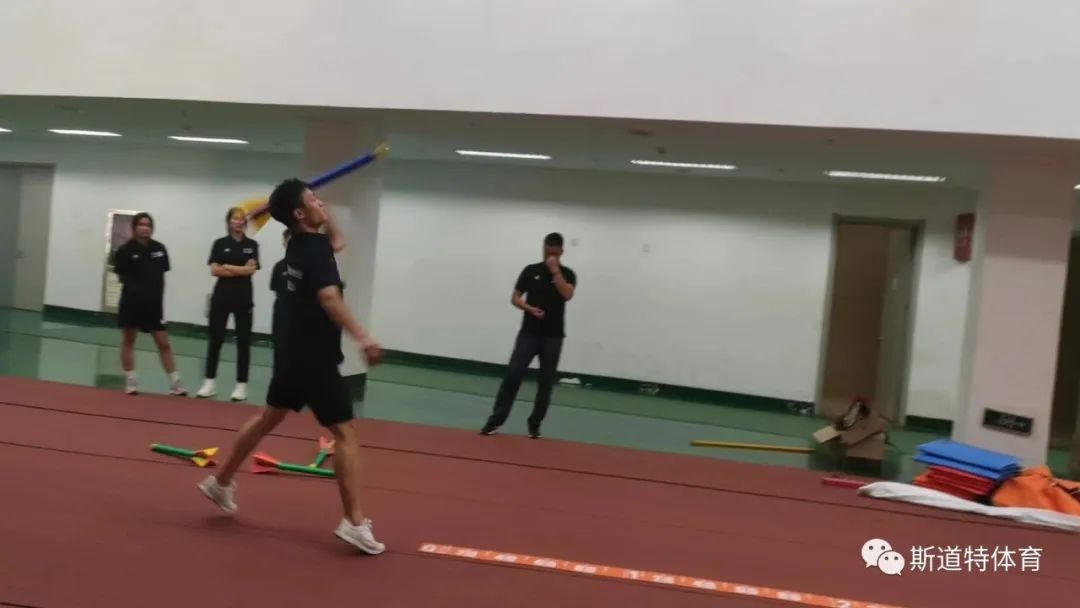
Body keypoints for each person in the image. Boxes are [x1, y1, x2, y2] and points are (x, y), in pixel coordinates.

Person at [197, 178, 387, 555]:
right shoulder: (315, 251)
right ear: (300, 213)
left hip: (291, 353)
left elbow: (337, 242)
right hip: (315, 357)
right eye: (314, 200)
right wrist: (363, 337)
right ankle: (353, 522)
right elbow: (330, 297)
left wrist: (321, 210)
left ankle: (220, 482)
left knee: (268, 417)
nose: (321, 203)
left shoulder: (296, 250)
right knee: (345, 433)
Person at [481, 232, 577, 439]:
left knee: (545, 382)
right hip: (529, 334)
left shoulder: (568, 274)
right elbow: (515, 297)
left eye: (554, 253)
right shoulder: (530, 270)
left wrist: (555, 271)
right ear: (543, 248)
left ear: (561, 252)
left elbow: (567, 294)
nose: (549, 256)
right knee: (513, 375)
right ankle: (495, 421)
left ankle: (535, 425)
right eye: (547, 252)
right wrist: (529, 308)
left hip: (553, 337)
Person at [111, 212, 187, 396]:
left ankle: (175, 383)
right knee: (129, 340)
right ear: (134, 227)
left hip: (154, 305)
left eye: (148, 225)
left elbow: (162, 277)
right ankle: (130, 381)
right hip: (131, 303)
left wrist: (156, 296)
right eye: (141, 224)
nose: (145, 228)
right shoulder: (125, 251)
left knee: (164, 343)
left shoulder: (160, 249)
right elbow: (121, 277)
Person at [195, 207, 260, 402]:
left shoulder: (252, 245)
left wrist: (228, 267)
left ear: (245, 222)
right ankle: (209, 383)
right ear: (229, 222)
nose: (238, 222)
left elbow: (251, 271)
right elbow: (214, 271)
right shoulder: (219, 244)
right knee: (215, 340)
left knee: (243, 343)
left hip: (244, 299)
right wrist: (241, 269)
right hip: (221, 298)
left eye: (241, 219)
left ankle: (241, 386)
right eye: (234, 219)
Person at [269, 228, 291, 374]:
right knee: (280, 350)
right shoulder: (279, 266)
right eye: (288, 241)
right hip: (282, 313)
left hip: (302, 316)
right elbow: (276, 289)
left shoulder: (308, 266)